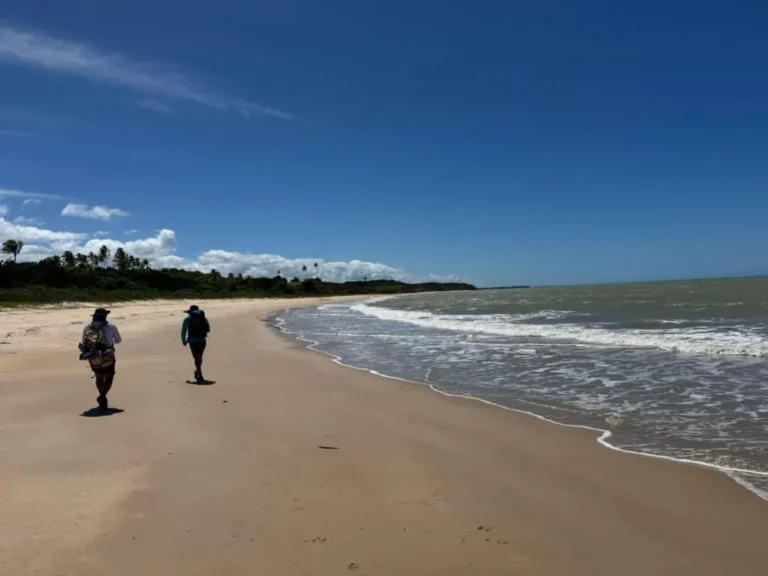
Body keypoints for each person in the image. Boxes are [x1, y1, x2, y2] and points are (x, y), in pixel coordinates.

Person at [79, 308, 122, 410]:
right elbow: (118, 341)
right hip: (108, 356)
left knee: (99, 377)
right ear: (105, 317)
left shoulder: (87, 328)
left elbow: (84, 342)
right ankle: (103, 396)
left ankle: (102, 397)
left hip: (93, 357)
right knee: (109, 377)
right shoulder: (111, 327)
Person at [181, 305, 210, 382]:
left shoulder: (187, 319)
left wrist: (184, 341)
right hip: (202, 341)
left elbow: (183, 331)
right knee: (199, 357)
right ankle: (197, 371)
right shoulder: (204, 319)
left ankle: (199, 374)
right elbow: (208, 329)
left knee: (196, 357)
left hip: (193, 341)